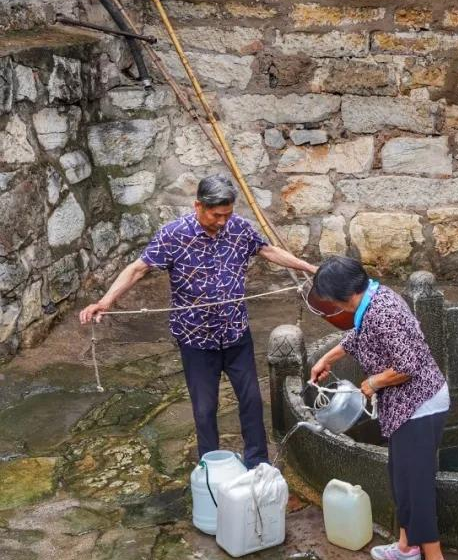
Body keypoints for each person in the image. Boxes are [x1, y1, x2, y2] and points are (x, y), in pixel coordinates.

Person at [79, 175, 317, 468]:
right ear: (198, 206)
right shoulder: (173, 235)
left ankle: (257, 464)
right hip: (195, 339)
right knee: (205, 410)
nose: (222, 221)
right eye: (216, 215)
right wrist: (105, 302)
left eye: (227, 215)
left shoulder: (239, 229)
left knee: (252, 402)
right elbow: (138, 269)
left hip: (235, 333)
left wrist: (308, 268)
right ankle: (211, 468)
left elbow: (266, 250)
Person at [308, 256, 453, 560]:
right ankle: (406, 548)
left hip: (420, 405)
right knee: (400, 479)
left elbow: (407, 365)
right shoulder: (373, 298)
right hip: (406, 406)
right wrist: (327, 358)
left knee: (416, 488)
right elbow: (359, 334)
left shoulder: (382, 311)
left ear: (337, 298)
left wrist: (373, 383)